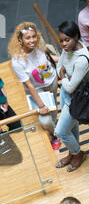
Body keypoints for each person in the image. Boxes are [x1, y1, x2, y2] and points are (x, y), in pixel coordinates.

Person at [8, 22, 60, 150]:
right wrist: (41, 106)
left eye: (33, 36)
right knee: (45, 120)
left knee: (53, 109)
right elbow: (29, 85)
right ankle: (56, 134)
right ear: (20, 40)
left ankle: (56, 128)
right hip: (36, 89)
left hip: (51, 80)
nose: (32, 40)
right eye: (27, 38)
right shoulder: (17, 61)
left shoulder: (40, 46)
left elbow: (51, 59)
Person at [54, 21, 89, 172]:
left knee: (61, 132)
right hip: (65, 93)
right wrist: (64, 78)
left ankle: (78, 153)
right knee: (72, 126)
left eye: (67, 40)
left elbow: (70, 87)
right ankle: (72, 152)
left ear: (76, 36)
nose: (63, 44)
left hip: (77, 99)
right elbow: (58, 67)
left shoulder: (82, 59)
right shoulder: (67, 48)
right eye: (61, 40)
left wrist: (63, 76)